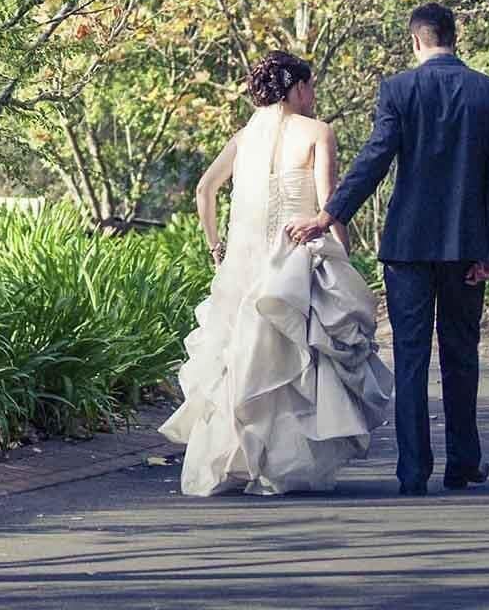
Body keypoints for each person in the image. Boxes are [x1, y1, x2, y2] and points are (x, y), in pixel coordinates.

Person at [288, 2, 489, 497]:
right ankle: (463, 463)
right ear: (455, 37)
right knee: (461, 354)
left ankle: (413, 472)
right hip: (465, 247)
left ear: (416, 41)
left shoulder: (399, 90)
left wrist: (330, 215)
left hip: (408, 245)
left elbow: (374, 159)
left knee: (410, 357)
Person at [161, 51, 392, 495]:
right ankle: (284, 465)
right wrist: (341, 254)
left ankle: (239, 460)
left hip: (243, 264)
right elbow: (329, 203)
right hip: (295, 257)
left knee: (240, 360)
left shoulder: (243, 138)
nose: (314, 96)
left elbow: (204, 189)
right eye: (312, 87)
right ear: (298, 87)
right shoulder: (319, 132)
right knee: (294, 363)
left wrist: (216, 248)